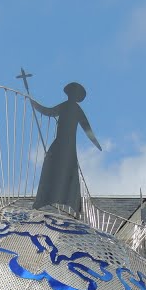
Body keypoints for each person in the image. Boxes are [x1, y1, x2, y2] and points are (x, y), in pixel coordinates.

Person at [32, 82, 102, 213]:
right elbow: (48, 111)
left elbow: (87, 128)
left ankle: (70, 202)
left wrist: (96, 143)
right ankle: (45, 199)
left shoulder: (75, 109)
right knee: (51, 166)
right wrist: (34, 104)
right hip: (61, 143)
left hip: (67, 144)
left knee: (64, 168)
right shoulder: (65, 106)